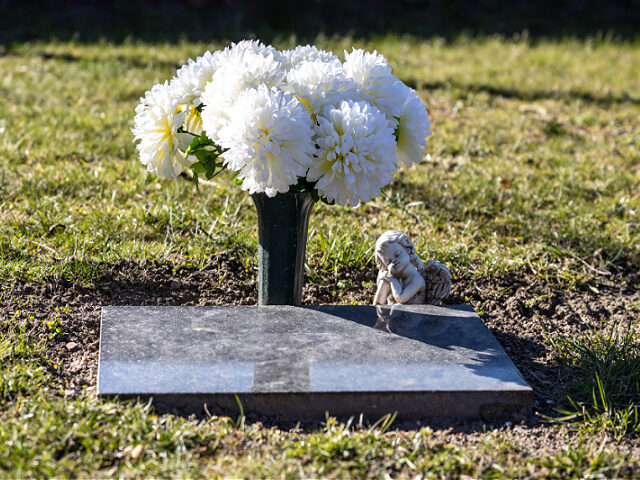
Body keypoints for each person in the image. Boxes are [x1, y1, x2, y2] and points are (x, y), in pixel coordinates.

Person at [373, 230, 451, 305]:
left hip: (415, 316)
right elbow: (377, 304)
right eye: (388, 261)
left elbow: (400, 299)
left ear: (408, 250)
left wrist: (393, 281)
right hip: (396, 315)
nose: (394, 261)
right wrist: (384, 282)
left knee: (398, 306)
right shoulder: (391, 277)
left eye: (397, 255)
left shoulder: (417, 279)